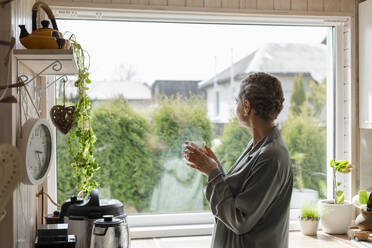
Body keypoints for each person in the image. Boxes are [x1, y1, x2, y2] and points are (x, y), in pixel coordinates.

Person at [184, 72, 293, 248]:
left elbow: (239, 220)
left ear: (246, 106)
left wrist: (213, 173)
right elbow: (242, 195)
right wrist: (215, 168)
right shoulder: (258, 145)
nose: (235, 106)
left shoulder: (272, 155)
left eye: (236, 101)